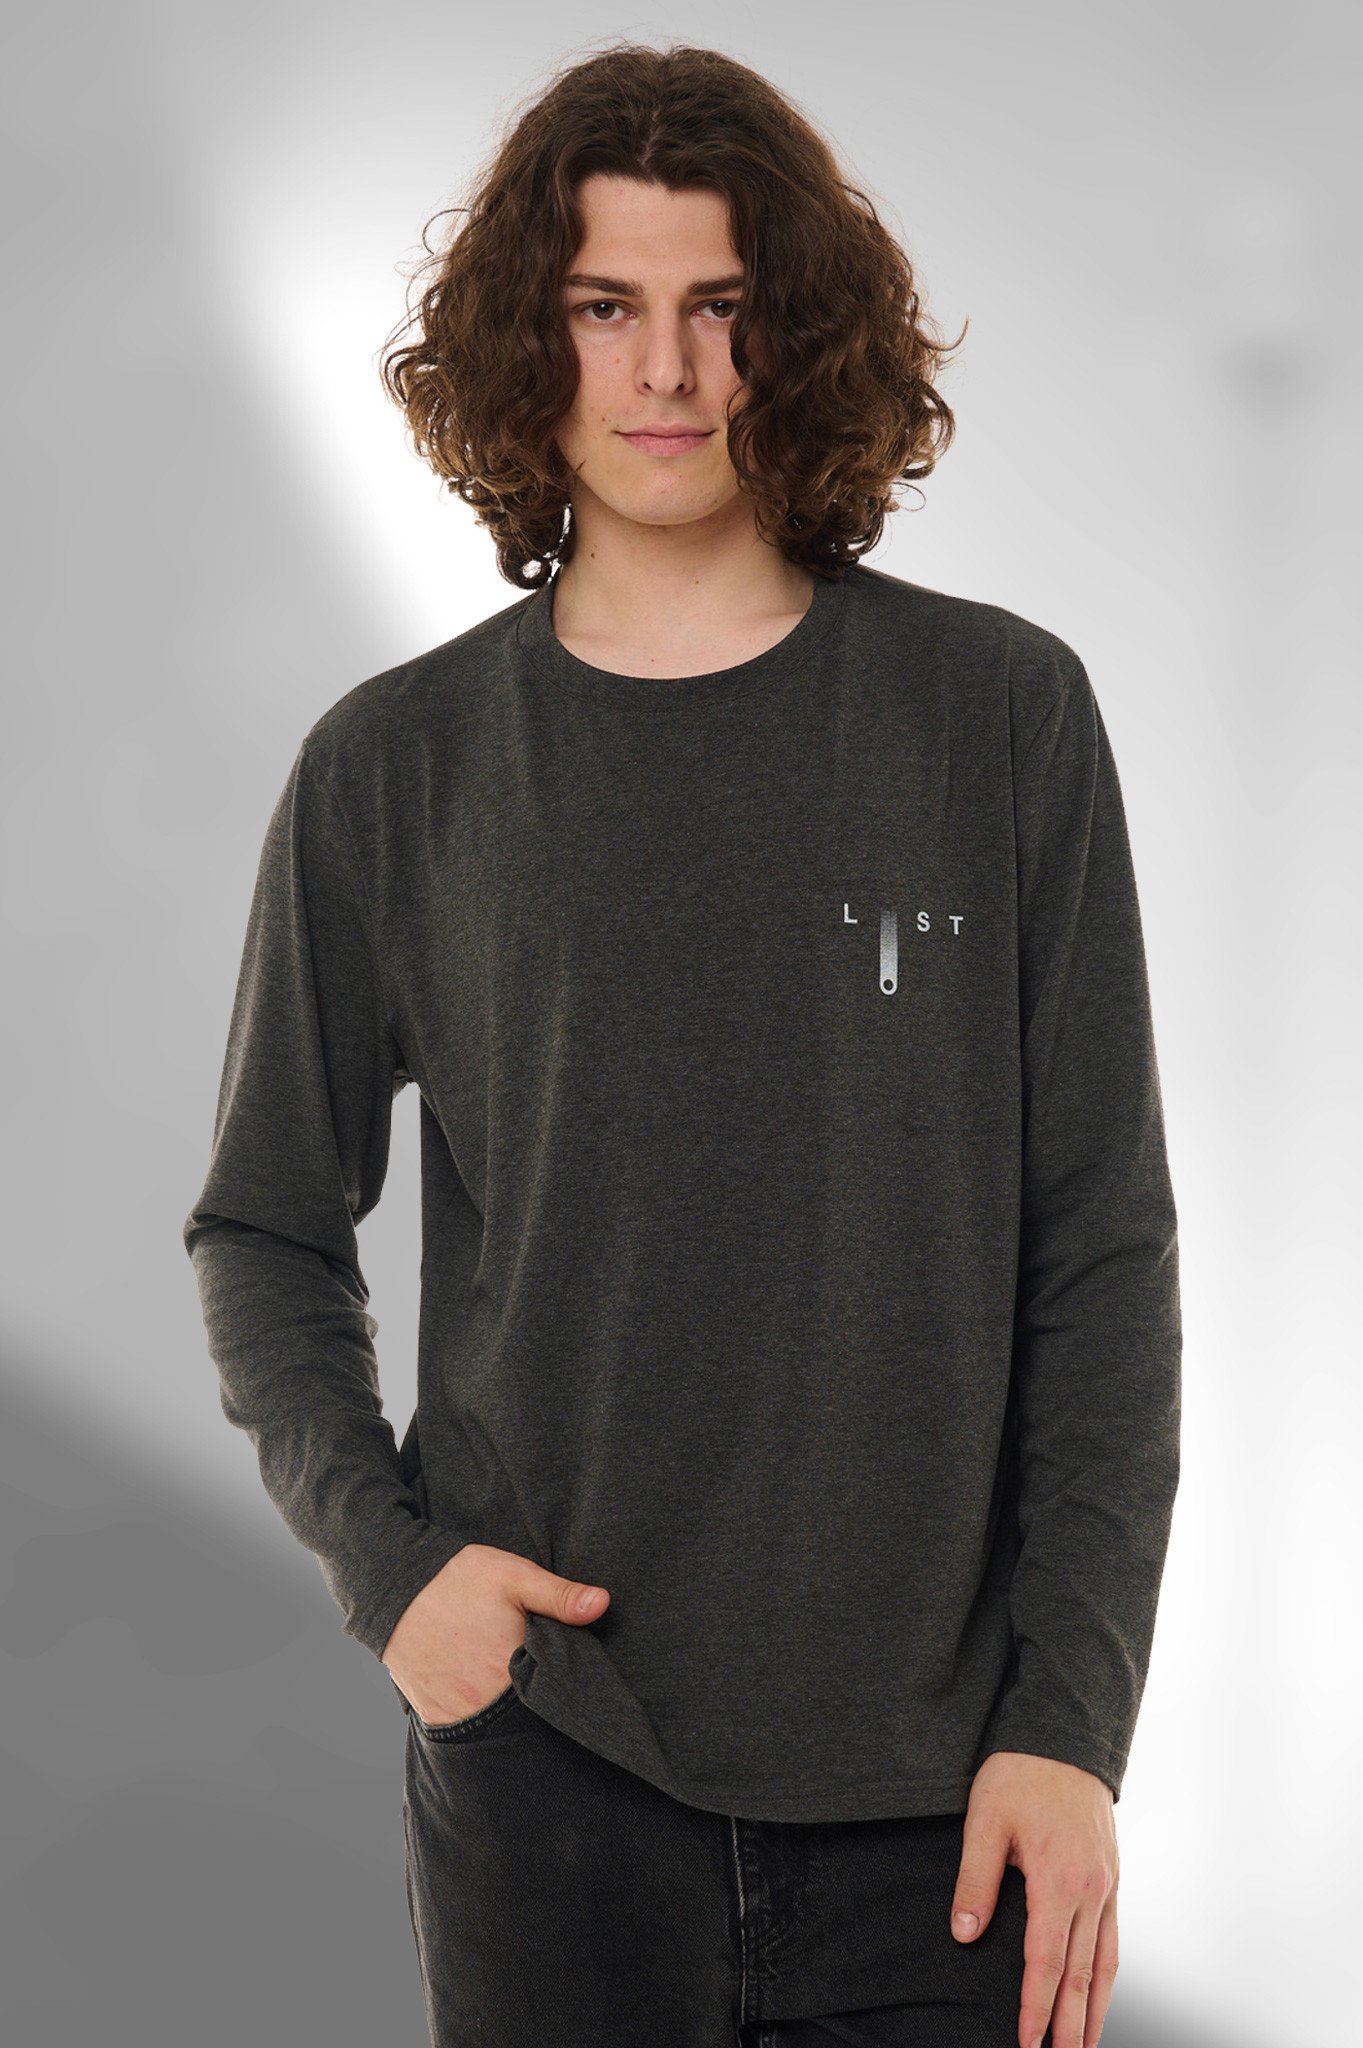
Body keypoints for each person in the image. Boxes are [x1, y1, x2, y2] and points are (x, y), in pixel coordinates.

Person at [182, 39, 1181, 2048]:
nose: (665, 371)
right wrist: (395, 1576)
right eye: (603, 308)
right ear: (524, 342)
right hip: (551, 1773)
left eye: (722, 307)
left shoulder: (998, 721)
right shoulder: (395, 770)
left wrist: (1072, 1726)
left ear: (796, 333)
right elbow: (265, 1229)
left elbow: (1098, 1250)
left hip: (949, 1805)